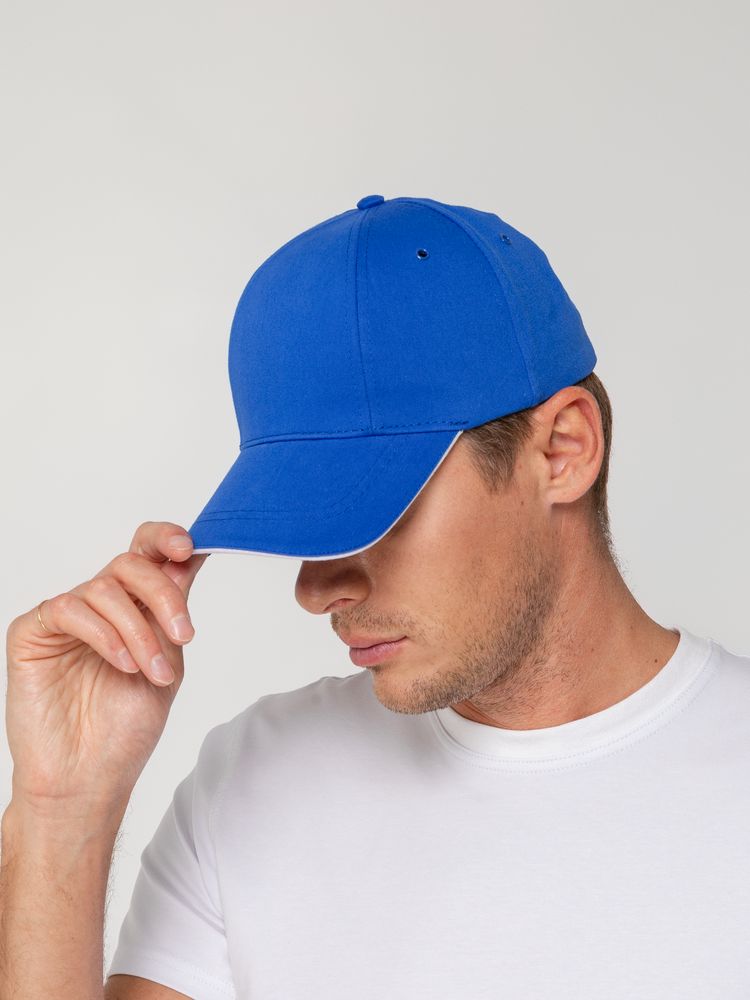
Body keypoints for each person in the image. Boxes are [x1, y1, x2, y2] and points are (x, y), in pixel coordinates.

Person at [1, 195, 747, 999]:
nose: (316, 589)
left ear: (563, 451)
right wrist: (62, 809)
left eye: (373, 509)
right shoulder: (255, 780)